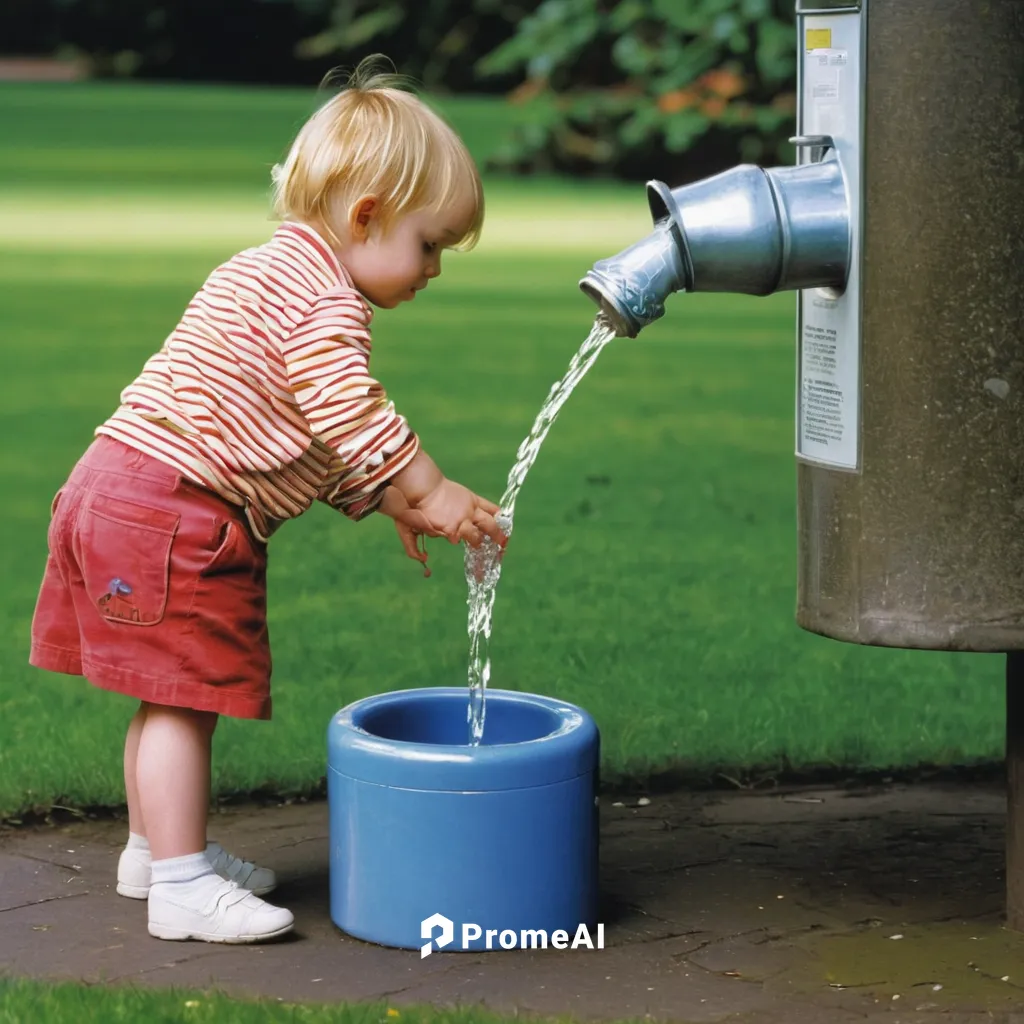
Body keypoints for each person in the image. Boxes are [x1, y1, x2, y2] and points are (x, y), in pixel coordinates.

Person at [29, 56, 506, 945]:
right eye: (430, 244)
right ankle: (179, 885)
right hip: (177, 510)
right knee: (182, 699)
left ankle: (151, 851)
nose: (435, 268)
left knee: (161, 694)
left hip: (113, 487)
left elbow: (294, 435)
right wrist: (427, 487)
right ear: (366, 218)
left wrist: (381, 499)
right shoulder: (328, 301)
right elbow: (344, 406)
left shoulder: (267, 271)